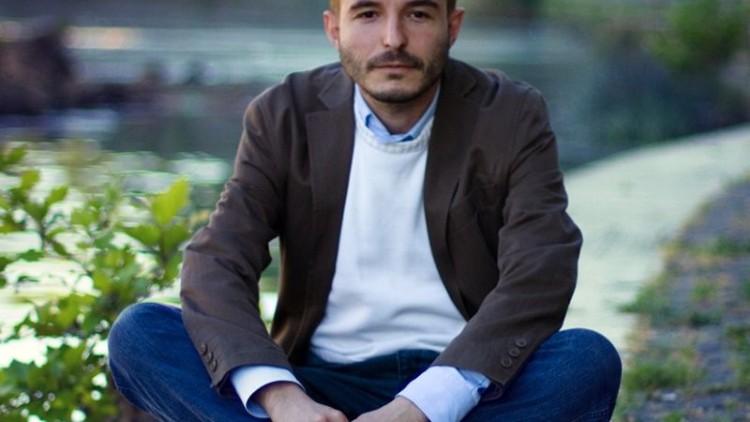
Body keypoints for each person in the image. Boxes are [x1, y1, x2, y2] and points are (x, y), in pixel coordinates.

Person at [108, 0, 622, 420]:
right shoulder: (283, 113)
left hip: (463, 385)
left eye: (417, 14)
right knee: (140, 335)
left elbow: (542, 270)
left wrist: (421, 408)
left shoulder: (510, 113)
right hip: (318, 383)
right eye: (368, 13)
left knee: (585, 361)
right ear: (334, 28)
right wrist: (283, 401)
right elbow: (218, 262)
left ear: (453, 25)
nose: (393, 39)